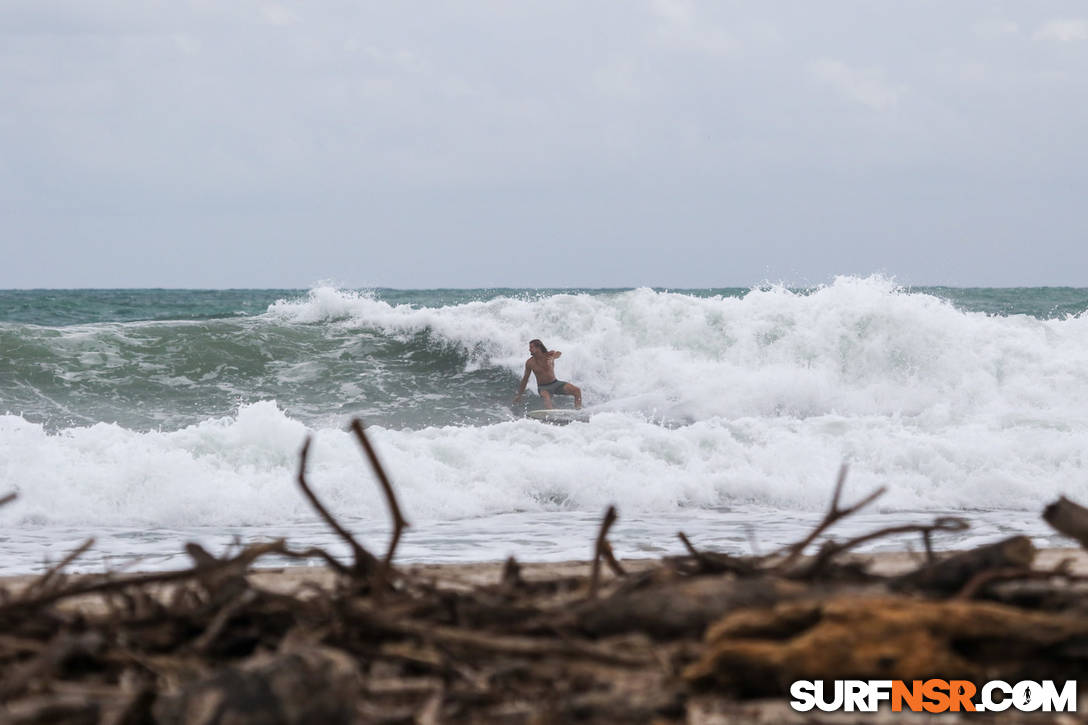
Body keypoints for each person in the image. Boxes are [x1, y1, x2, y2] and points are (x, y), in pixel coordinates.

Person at [513, 339, 582, 409]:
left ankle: (578, 411)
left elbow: (559, 353)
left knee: (577, 390)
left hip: (556, 384)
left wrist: (553, 358)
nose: (529, 349)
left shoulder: (549, 355)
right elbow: (525, 379)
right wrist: (519, 395)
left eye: (531, 347)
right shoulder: (530, 363)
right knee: (547, 401)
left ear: (538, 348)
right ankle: (551, 416)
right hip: (543, 388)